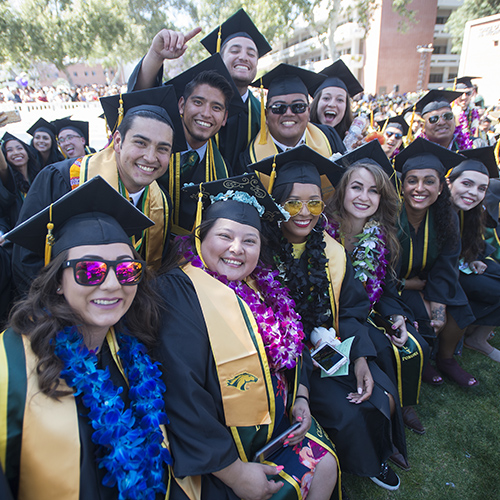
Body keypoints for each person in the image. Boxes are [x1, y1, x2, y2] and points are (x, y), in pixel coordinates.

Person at [156, 173, 339, 500]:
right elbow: (182, 392)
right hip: (223, 451)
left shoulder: (263, 284)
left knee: (326, 465)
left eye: (249, 240)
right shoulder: (180, 292)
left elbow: (294, 349)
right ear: (202, 235)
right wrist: (235, 472)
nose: (236, 250)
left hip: (279, 426)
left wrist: (301, 396)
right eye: (224, 236)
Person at [0, 177, 173, 499]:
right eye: (90, 270)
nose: (111, 284)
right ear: (56, 282)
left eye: (127, 270)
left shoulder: (131, 351)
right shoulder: (8, 367)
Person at [257, 146, 406, 491]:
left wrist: (360, 359)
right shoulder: (259, 249)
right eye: (293, 203)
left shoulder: (332, 251)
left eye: (314, 203)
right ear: (276, 204)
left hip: (328, 344)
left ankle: (376, 452)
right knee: (349, 411)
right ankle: (363, 460)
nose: (305, 212)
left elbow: (352, 308)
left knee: (379, 392)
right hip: (285, 356)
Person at [12, 86, 176, 295]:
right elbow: (26, 260)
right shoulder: (62, 178)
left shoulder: (161, 201)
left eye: (163, 149)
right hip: (63, 313)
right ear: (118, 141)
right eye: (140, 143)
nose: (151, 157)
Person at [326, 141, 429, 437]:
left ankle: (400, 406)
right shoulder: (322, 233)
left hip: (362, 317)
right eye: (356, 187)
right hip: (329, 321)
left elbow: (385, 290)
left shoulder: (381, 238)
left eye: (374, 191)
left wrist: (396, 314)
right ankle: (387, 420)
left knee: (408, 341)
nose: (364, 197)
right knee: (380, 347)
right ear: (343, 190)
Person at [394, 138, 477, 387]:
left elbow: (446, 264)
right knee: (421, 313)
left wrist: (438, 306)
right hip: (398, 287)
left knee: (459, 307)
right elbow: (379, 271)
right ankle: (424, 362)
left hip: (429, 281)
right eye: (412, 180)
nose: (420, 188)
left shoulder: (446, 217)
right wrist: (409, 285)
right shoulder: (389, 216)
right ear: (402, 185)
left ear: (441, 187)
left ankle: (446, 358)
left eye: (429, 181)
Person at [153, 55, 242, 234]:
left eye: (216, 108)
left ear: (224, 118)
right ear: (181, 105)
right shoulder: (153, 152)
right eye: (198, 102)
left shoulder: (223, 172)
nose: (206, 113)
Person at [238, 64, 346, 190]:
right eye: (279, 108)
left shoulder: (329, 138)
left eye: (298, 107)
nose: (289, 113)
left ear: (309, 112)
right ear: (266, 115)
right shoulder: (250, 160)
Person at [447, 147, 500, 363]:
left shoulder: (470, 213)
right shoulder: (436, 211)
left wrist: (474, 260)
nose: (473, 193)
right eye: (466, 184)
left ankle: (477, 333)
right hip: (440, 276)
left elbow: (474, 245)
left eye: (481, 188)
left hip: (459, 267)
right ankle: (475, 335)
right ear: (449, 182)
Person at [309, 59, 363, 141]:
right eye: (326, 98)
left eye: (340, 100)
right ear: (316, 102)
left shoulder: (351, 139)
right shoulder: (301, 137)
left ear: (346, 107)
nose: (332, 104)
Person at [0, 132, 41, 234]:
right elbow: (3, 168)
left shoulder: (40, 178)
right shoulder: (9, 181)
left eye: (19, 148)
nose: (16, 152)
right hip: (21, 236)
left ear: (27, 153)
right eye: (9, 150)